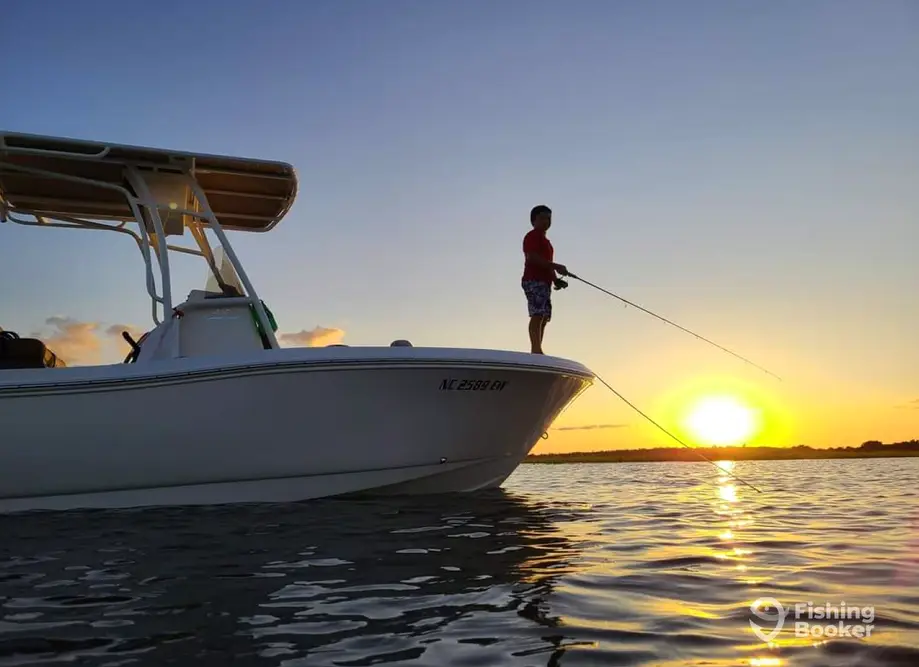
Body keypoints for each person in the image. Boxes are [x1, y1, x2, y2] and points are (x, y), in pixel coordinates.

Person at [521, 204, 569, 354]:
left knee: (544, 316)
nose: (546, 221)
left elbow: (547, 265)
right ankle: (536, 350)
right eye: (542, 218)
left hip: (544, 283)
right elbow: (532, 257)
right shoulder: (532, 236)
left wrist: (555, 280)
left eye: (548, 218)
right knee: (537, 314)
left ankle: (538, 349)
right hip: (533, 280)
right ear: (533, 220)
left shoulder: (547, 243)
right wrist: (555, 266)